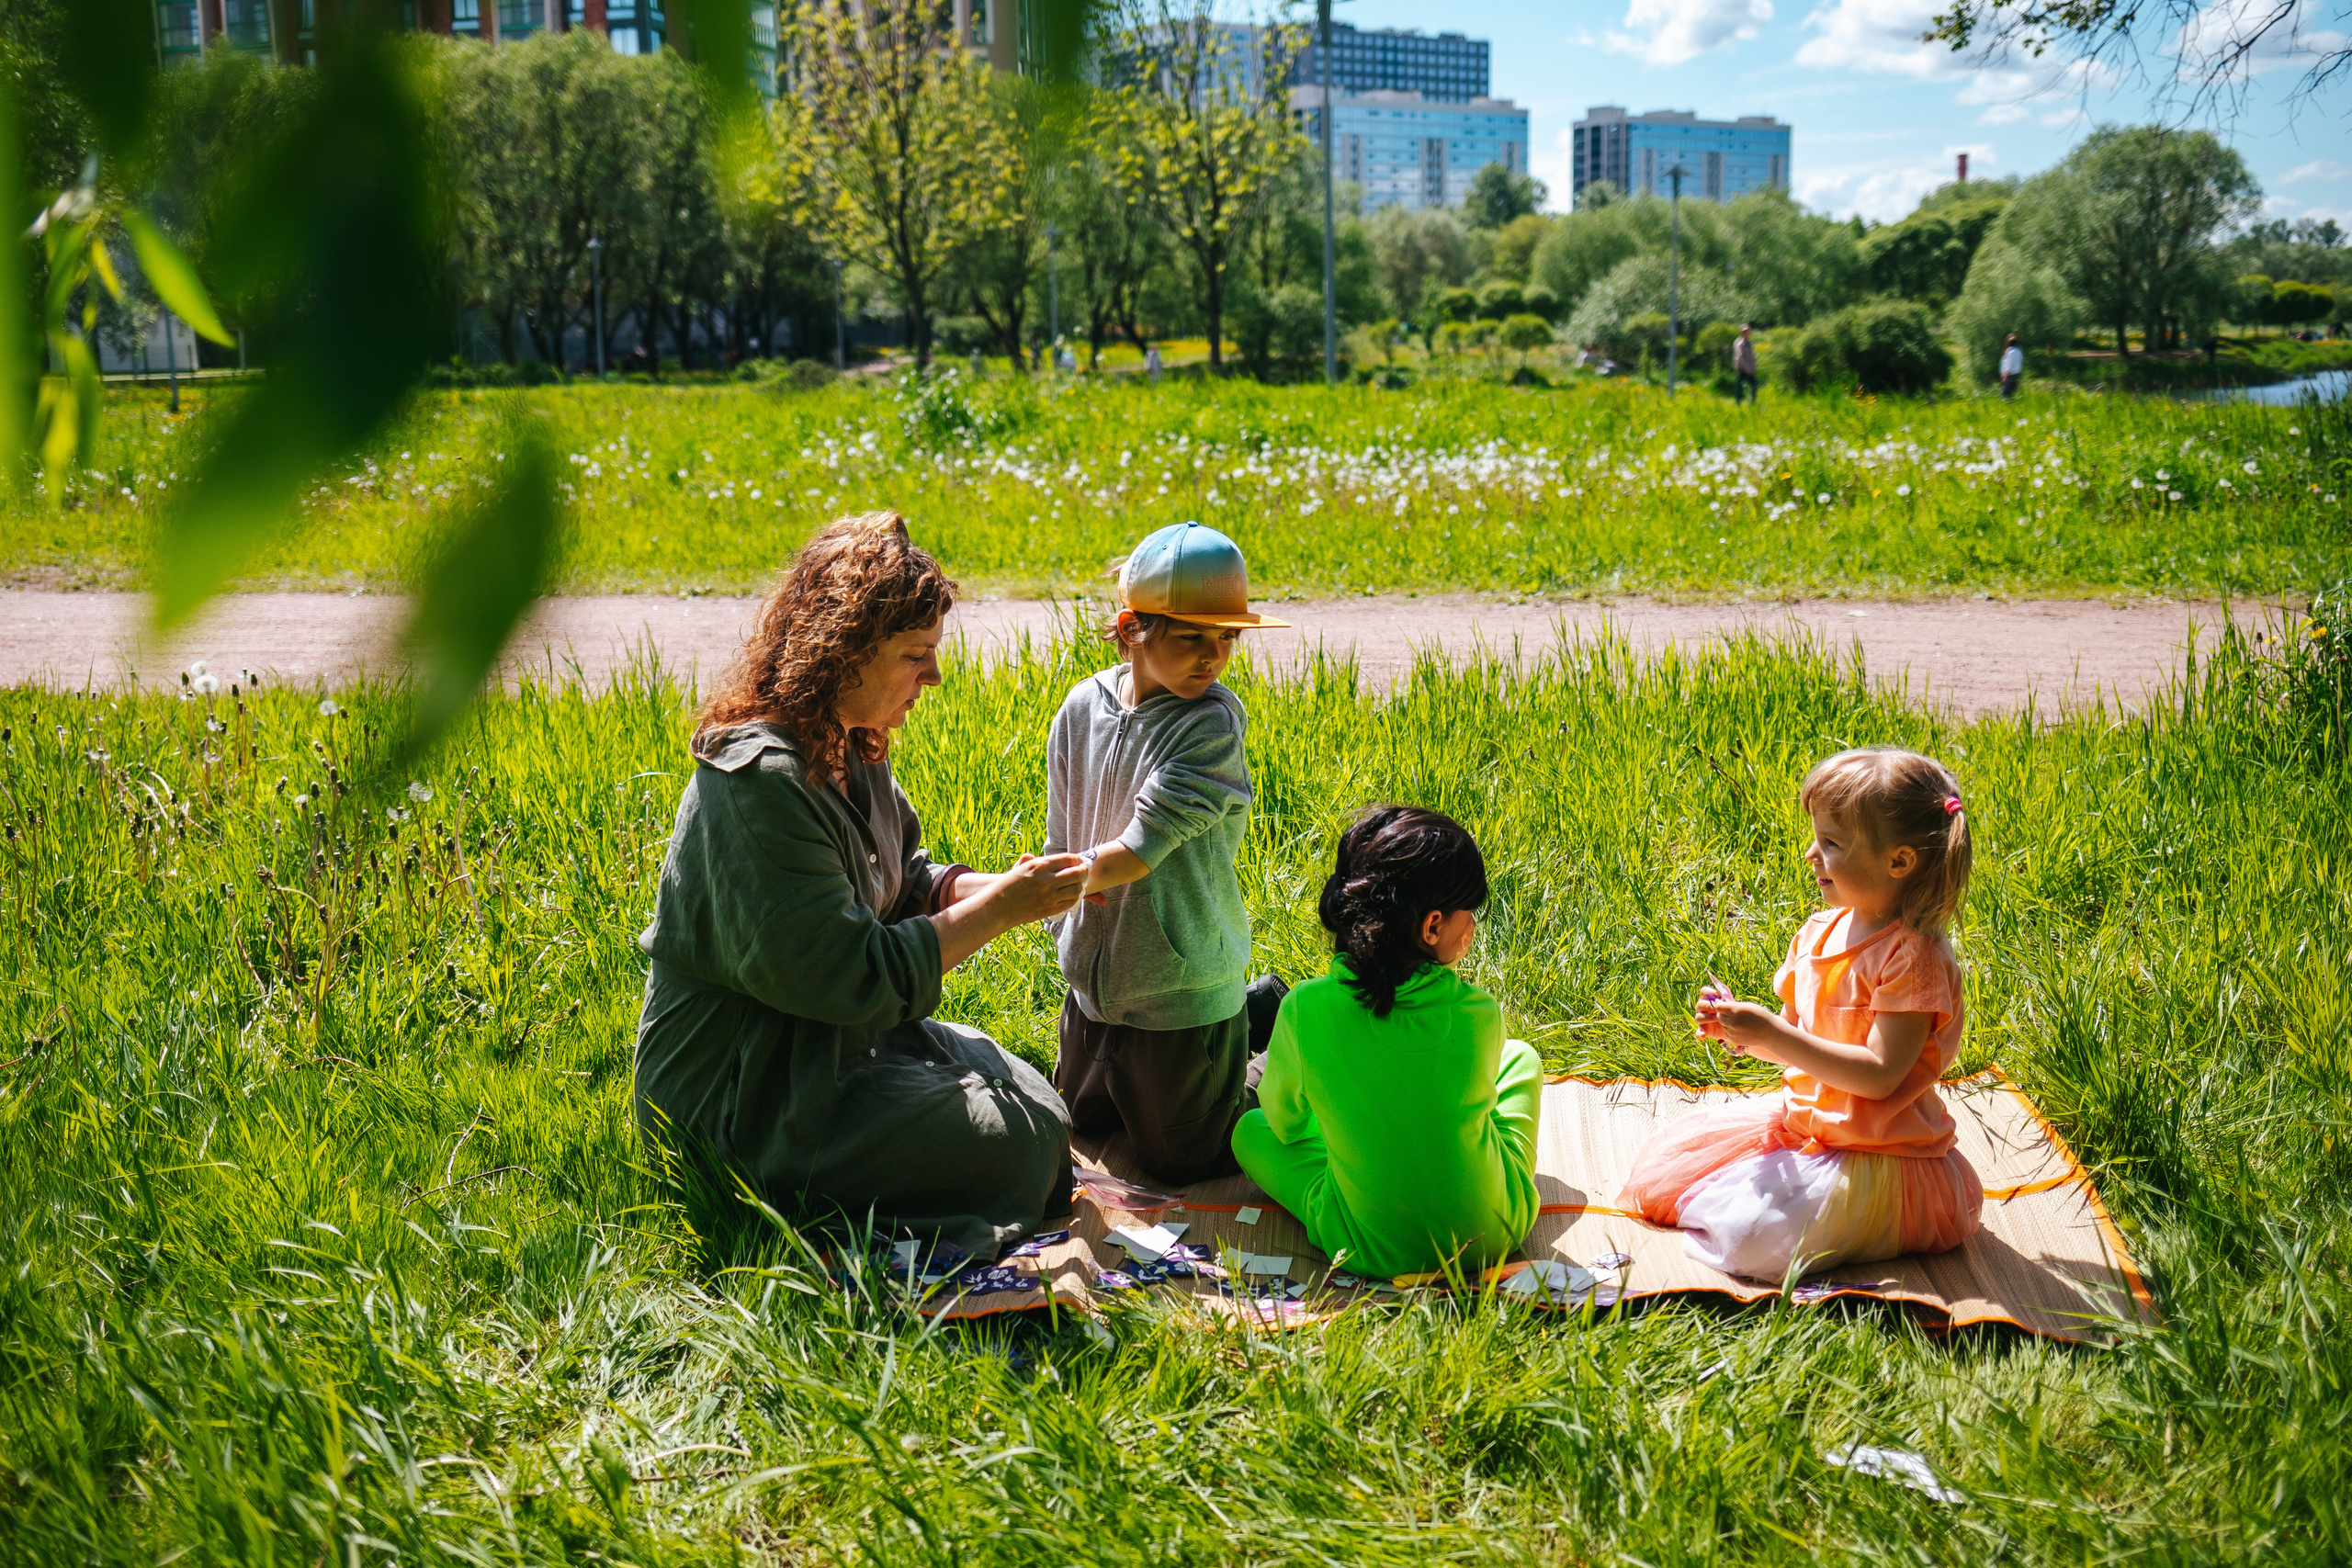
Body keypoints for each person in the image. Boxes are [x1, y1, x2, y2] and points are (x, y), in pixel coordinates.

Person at [633, 513, 1090, 1256]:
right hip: (748, 1099)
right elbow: (857, 977)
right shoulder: (759, 785)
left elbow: (901, 881)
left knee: (1035, 1098)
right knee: (1024, 1144)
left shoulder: (850, 740)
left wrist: (1012, 885)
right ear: (843, 650)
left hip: (836, 1046)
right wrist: (1005, 909)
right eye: (916, 655)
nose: (934, 676)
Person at [1619, 749, 1983, 1281]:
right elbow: (1798, 1043)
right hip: (1805, 1128)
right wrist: (1745, 1032)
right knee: (1665, 1172)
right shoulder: (1819, 932)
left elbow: (1880, 1077)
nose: (1811, 854)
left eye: (1832, 843)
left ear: (1899, 862)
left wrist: (1775, 1034)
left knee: (1749, 1238)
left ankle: (1868, 1228)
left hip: (1882, 1158)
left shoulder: (1913, 958)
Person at [1046, 522, 1290, 1184]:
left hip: (1180, 980)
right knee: (1080, 1122)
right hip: (1095, 981)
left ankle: (1289, 1037)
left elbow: (1137, 851)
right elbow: (1062, 832)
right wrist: (1060, 910)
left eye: (1227, 637)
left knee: (1184, 1158)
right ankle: (1256, 1007)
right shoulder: (1081, 706)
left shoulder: (1210, 725)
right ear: (1132, 629)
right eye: (1191, 638)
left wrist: (1050, 884)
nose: (1213, 656)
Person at [1233, 807, 1542, 1280]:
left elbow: (1286, 1127)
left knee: (1249, 1131)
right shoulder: (1480, 1014)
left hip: (1366, 1247)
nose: (1473, 926)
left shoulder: (1303, 1008)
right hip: (1494, 1236)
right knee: (1521, 1056)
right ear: (1432, 926)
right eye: (1470, 913)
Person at [1732, 323, 1758, 404]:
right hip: (1742, 368)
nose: (1748, 333)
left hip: (1748, 368)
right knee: (1744, 384)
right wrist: (1747, 369)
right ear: (1742, 333)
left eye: (1749, 332)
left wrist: (1753, 367)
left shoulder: (1748, 342)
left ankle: (1749, 401)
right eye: (1746, 332)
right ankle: (1740, 402)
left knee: (1750, 384)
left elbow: (1751, 356)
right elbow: (1740, 357)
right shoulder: (1739, 343)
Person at [1999, 334, 2023, 400]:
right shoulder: (2019, 351)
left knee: (2005, 395)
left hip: (2010, 375)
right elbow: (2021, 361)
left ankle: (2009, 405)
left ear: (2009, 343)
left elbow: (2009, 365)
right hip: (2017, 374)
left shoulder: (2010, 352)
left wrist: (2005, 376)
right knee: (2011, 394)